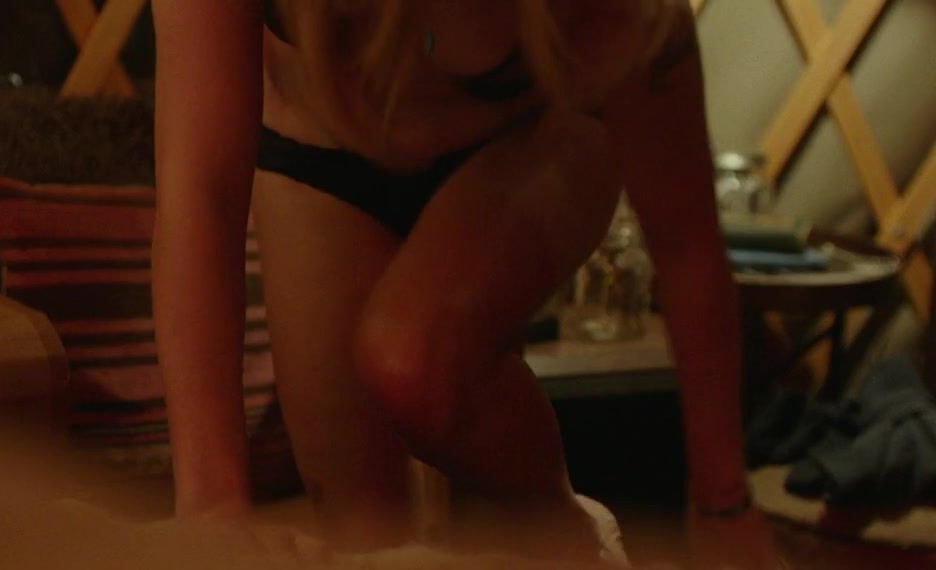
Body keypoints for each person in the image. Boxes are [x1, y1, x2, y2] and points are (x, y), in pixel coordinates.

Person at [150, 0, 765, 565]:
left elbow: (685, 243)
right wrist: (211, 508)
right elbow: (201, 188)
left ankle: (574, 538)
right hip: (315, 149)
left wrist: (724, 506)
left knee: (412, 363)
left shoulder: (615, 14)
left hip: (529, 134)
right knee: (360, 531)